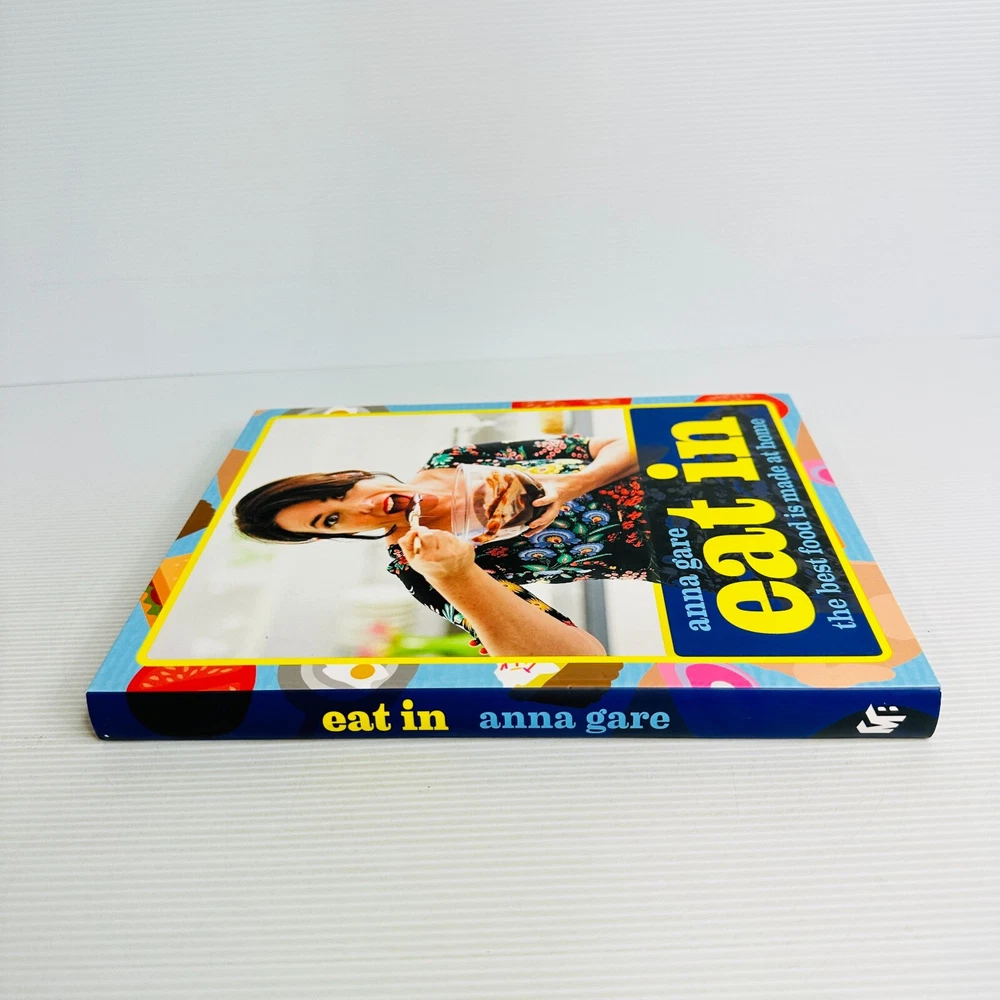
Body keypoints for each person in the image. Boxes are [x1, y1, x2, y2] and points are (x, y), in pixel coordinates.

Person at [234, 434, 650, 657]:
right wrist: (458, 575)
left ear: (350, 475)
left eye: (339, 492)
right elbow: (580, 662)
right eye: (333, 519)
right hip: (687, 550)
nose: (360, 505)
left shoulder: (451, 459)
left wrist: (575, 482)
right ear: (332, 537)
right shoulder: (423, 569)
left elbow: (636, 443)